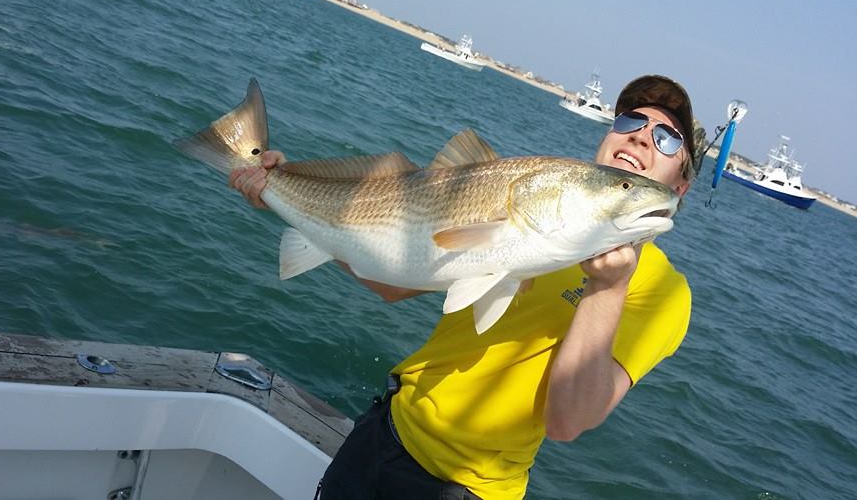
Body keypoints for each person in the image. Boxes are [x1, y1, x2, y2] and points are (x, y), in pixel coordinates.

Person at [230, 75, 704, 500]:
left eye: (666, 139)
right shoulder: (538, 216)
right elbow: (394, 284)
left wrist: (607, 288)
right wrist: (286, 198)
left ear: (678, 189)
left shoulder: (662, 292)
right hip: (382, 435)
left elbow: (568, 421)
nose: (642, 134)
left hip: (469, 490)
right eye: (629, 120)